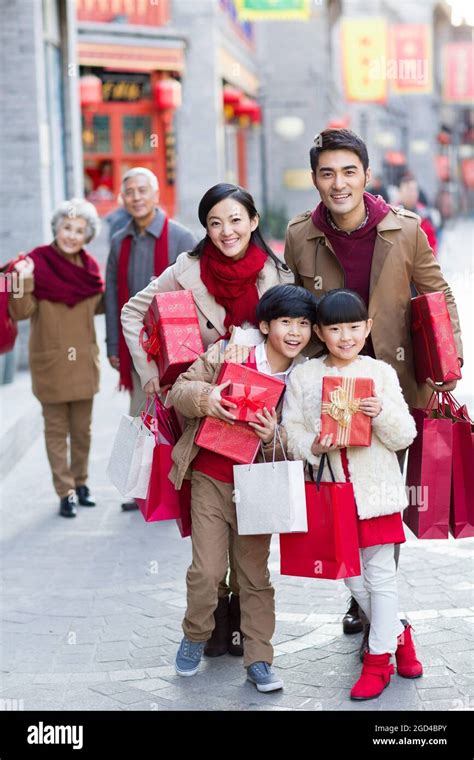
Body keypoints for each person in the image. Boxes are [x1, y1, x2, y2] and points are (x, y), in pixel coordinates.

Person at [284, 128, 463, 647]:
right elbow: (290, 304)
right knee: (340, 495)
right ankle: (362, 600)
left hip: (392, 383)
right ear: (316, 178)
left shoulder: (405, 230)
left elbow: (438, 294)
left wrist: (446, 366)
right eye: (326, 173)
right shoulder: (301, 235)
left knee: (382, 498)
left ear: (366, 174)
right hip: (328, 391)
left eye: (348, 172)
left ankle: (378, 614)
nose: (338, 184)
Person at [121, 182, 294, 658]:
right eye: (214, 222)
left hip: (258, 428)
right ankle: (213, 627)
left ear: (254, 222)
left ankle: (243, 632)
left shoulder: (278, 275)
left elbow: (298, 335)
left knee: (252, 546)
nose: (226, 231)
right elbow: (133, 312)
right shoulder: (186, 271)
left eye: (236, 220)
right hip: (202, 412)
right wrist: (150, 373)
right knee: (208, 545)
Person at [168, 284, 318, 692]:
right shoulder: (228, 353)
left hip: (259, 487)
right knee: (207, 571)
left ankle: (259, 660)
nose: (294, 332)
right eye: (285, 322)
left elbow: (304, 442)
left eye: (304, 324)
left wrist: (275, 435)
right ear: (265, 325)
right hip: (211, 477)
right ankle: (195, 634)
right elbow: (177, 391)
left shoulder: (303, 379)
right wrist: (208, 396)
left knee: (254, 576)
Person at [283, 288, 422, 701]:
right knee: (349, 574)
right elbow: (290, 432)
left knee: (380, 576)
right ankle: (400, 633)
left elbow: (405, 435)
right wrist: (315, 445)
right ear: (320, 333)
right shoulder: (304, 376)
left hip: (375, 490)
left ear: (368, 328)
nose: (346, 336)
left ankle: (378, 662)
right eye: (335, 328)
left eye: (354, 327)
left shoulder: (380, 373)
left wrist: (381, 414)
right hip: (329, 490)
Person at [104, 167, 197, 511]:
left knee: (181, 414)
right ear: (123, 199)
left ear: (157, 195)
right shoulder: (119, 241)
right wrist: (113, 346)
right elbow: (114, 297)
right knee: (141, 416)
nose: (137, 196)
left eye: (144, 190)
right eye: (130, 191)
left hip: (178, 344)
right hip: (137, 347)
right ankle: (141, 489)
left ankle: (182, 485)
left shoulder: (181, 237)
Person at [8, 199, 104, 518]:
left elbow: (102, 305)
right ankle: (66, 492)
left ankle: (81, 482)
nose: (72, 235)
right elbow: (20, 312)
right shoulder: (36, 263)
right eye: (67, 228)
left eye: (79, 230)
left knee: (82, 431)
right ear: (56, 229)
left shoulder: (90, 271)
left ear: (87, 235)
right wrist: (22, 280)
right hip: (50, 363)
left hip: (83, 362)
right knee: (55, 431)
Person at [398, 173, 439, 256]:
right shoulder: (392, 215)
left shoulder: (425, 216)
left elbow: (432, 245)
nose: (411, 194)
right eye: (408, 190)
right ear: (400, 193)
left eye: (414, 190)